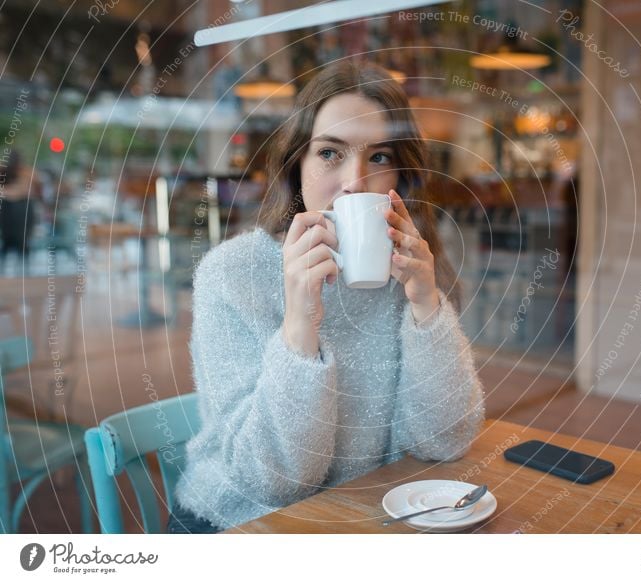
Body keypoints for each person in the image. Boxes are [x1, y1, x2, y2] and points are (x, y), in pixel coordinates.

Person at [169, 61, 485, 533]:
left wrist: (426, 306)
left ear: (401, 175)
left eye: (379, 157)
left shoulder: (405, 275)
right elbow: (269, 481)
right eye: (330, 153)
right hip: (238, 526)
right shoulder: (232, 275)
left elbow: (445, 441)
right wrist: (300, 324)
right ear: (297, 165)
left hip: (353, 523)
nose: (354, 181)